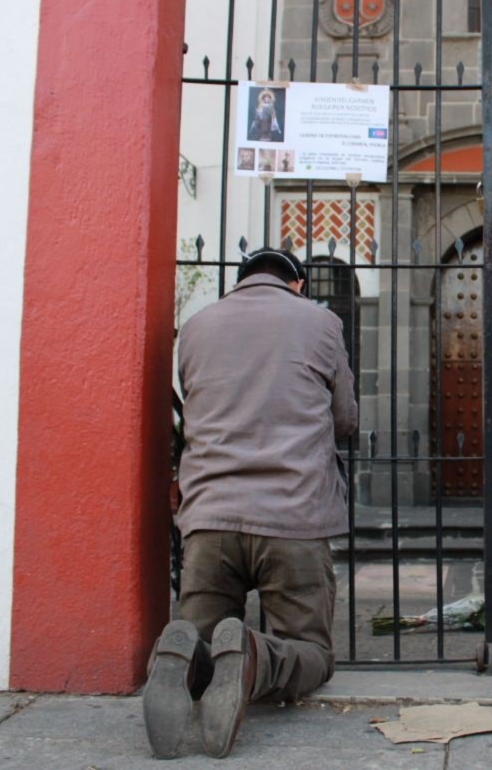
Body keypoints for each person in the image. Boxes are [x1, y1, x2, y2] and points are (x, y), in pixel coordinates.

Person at [143, 247, 357, 759]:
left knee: (200, 635)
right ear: (298, 284)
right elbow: (345, 418)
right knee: (311, 652)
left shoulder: (196, 327)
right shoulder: (320, 324)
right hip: (293, 517)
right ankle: (255, 658)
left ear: (239, 282)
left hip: (209, 517)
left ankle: (186, 656)